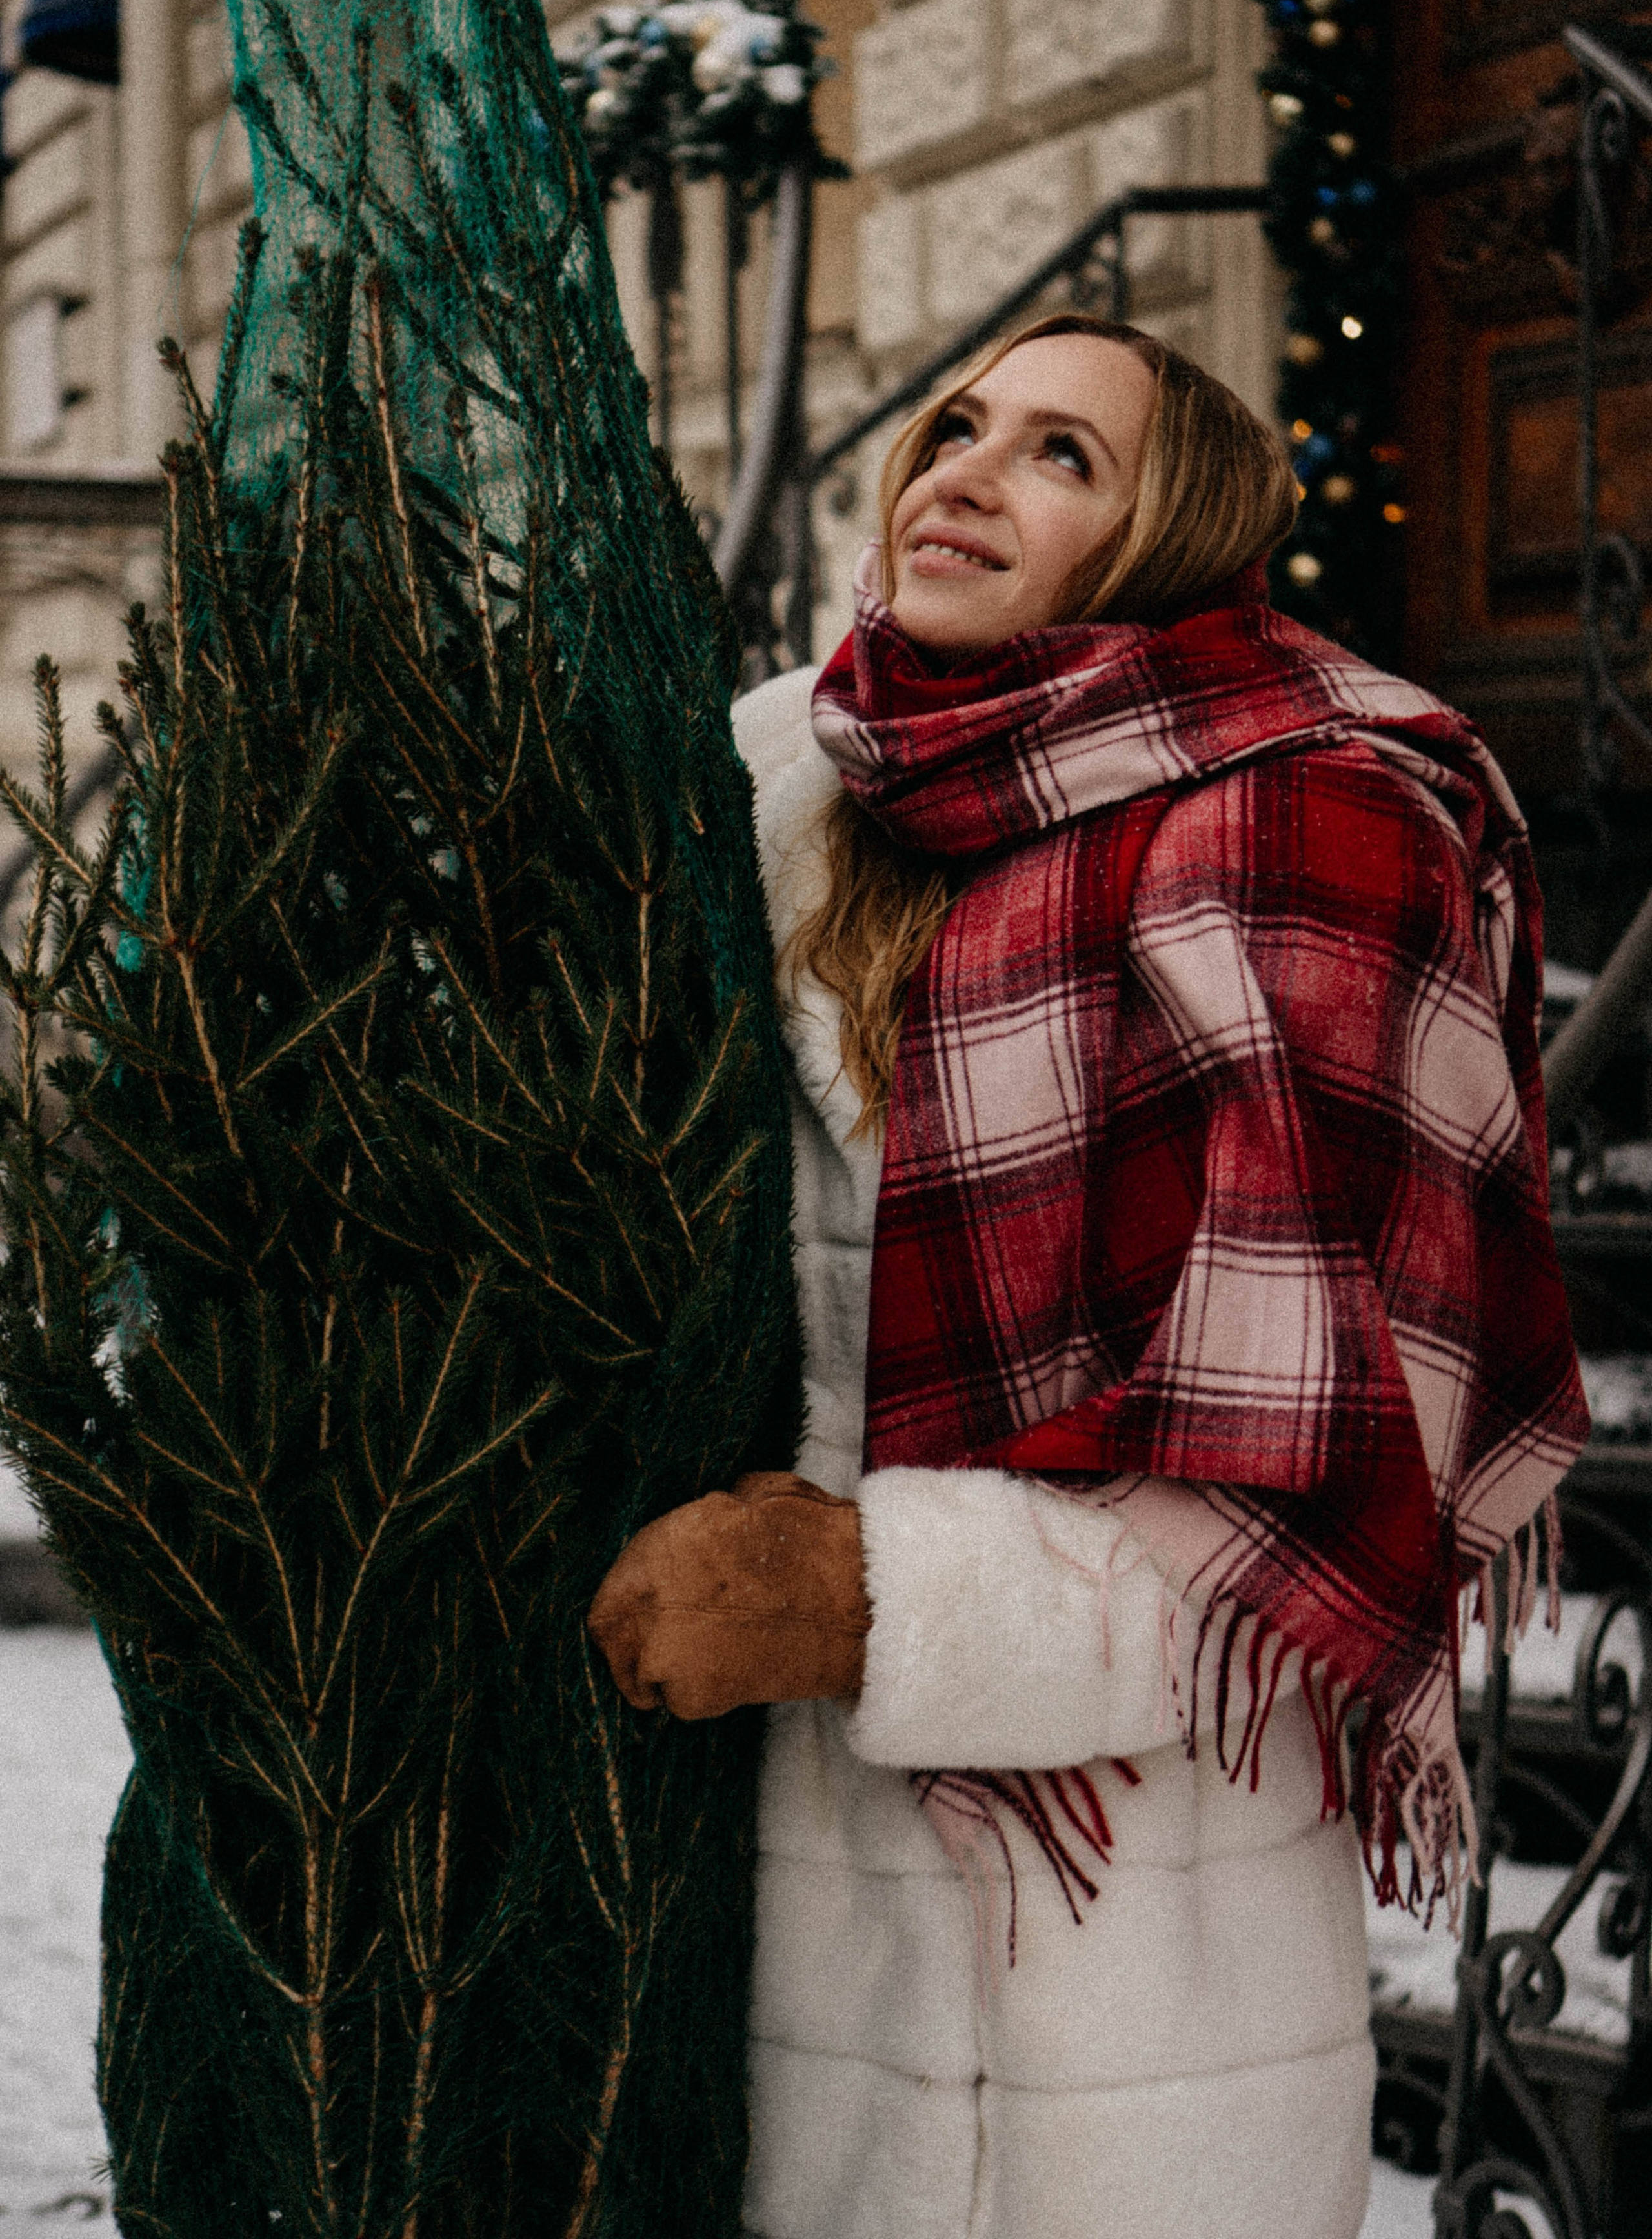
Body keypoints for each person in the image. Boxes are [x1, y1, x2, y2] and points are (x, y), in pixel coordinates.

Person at [588, 314, 1589, 2239]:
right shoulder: (780, 796)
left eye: (1062, 455)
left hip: (1138, 1936)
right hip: (777, 1876)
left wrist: (864, 1595)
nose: (962, 470)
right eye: (957, 421)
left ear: (1170, 545)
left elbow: (1298, 1498)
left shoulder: (1307, 829)